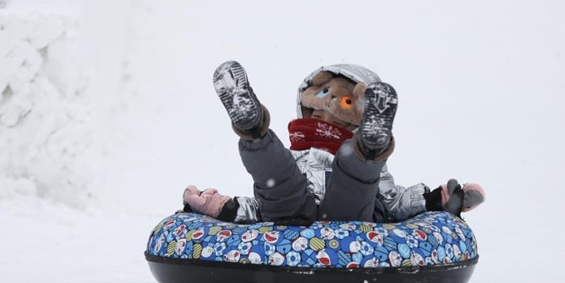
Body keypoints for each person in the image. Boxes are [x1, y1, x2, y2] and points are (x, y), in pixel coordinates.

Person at [182, 61, 484, 224]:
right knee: (277, 177)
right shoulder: (296, 157)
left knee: (354, 174)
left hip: (348, 218)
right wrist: (217, 206)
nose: (326, 119)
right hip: (288, 216)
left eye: (339, 119)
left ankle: (369, 149)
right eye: (318, 111)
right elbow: (262, 204)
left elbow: (392, 202)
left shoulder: (361, 163)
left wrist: (437, 201)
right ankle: (252, 127)